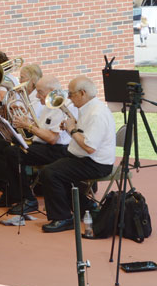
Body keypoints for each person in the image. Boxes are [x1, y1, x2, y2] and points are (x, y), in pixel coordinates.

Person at [0, 76, 76, 214]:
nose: (37, 96)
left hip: (58, 150)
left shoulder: (62, 106)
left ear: (52, 91)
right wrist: (24, 119)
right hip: (43, 145)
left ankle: (28, 199)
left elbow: (52, 139)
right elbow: (42, 128)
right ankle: (11, 192)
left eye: (40, 92)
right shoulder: (48, 105)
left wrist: (28, 126)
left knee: (12, 152)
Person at [40, 76, 116, 233]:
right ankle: (86, 206)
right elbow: (83, 133)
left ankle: (62, 218)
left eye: (71, 94)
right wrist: (71, 127)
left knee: (50, 173)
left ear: (82, 93)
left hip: (96, 163)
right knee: (54, 168)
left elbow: (89, 147)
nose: (68, 98)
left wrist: (72, 129)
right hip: (82, 157)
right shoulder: (88, 109)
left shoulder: (97, 114)